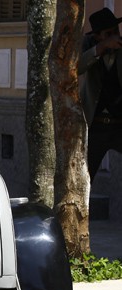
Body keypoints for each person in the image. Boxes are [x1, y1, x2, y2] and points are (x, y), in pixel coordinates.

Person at [79, 7, 122, 181]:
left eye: (116, 31)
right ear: (97, 36)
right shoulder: (88, 45)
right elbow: (76, 68)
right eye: (108, 33)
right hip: (95, 126)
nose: (114, 37)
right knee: (84, 178)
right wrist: (101, 48)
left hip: (119, 124)